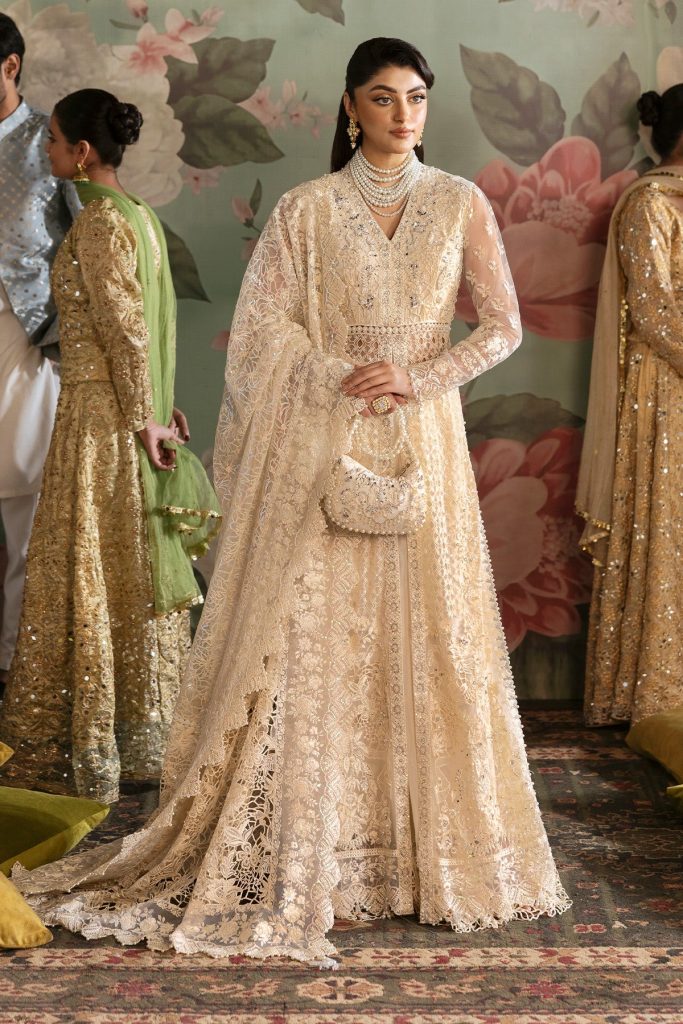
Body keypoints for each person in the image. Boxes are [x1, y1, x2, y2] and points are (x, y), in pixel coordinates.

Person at [14, 40, 570, 966]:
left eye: (416, 99)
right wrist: (334, 373)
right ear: (350, 108)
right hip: (326, 439)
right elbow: (263, 331)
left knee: (430, 633)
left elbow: (503, 324)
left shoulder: (458, 202)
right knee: (313, 639)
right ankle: (317, 851)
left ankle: (425, 857)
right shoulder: (308, 210)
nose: (403, 115)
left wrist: (423, 375)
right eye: (383, 99)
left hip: (422, 439)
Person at [0, 88, 220, 804]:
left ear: (82, 152)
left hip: (100, 420)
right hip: (124, 411)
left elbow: (126, 329)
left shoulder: (97, 224)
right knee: (126, 569)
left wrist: (143, 417)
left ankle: (93, 739)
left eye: (54, 141)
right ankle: (138, 735)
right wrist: (155, 406)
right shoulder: (140, 217)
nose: (47, 150)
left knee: (92, 567)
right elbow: (154, 325)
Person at [577, 84, 683, 727]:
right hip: (667, 386)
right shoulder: (649, 203)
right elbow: (653, 310)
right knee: (665, 523)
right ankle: (653, 693)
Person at [0, 14, 76, 688]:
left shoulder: (50, 141)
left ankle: (15, 670)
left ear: (10, 67)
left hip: (26, 337)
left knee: (25, 502)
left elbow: (91, 243)